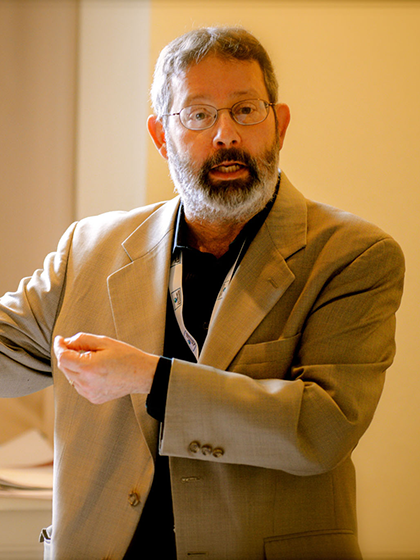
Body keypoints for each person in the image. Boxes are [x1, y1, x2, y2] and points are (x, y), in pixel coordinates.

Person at [0, 26, 404, 560]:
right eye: (199, 114)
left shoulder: (354, 255)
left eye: (245, 110)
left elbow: (322, 429)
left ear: (279, 126)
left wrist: (149, 376)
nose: (226, 136)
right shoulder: (90, 248)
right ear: (162, 137)